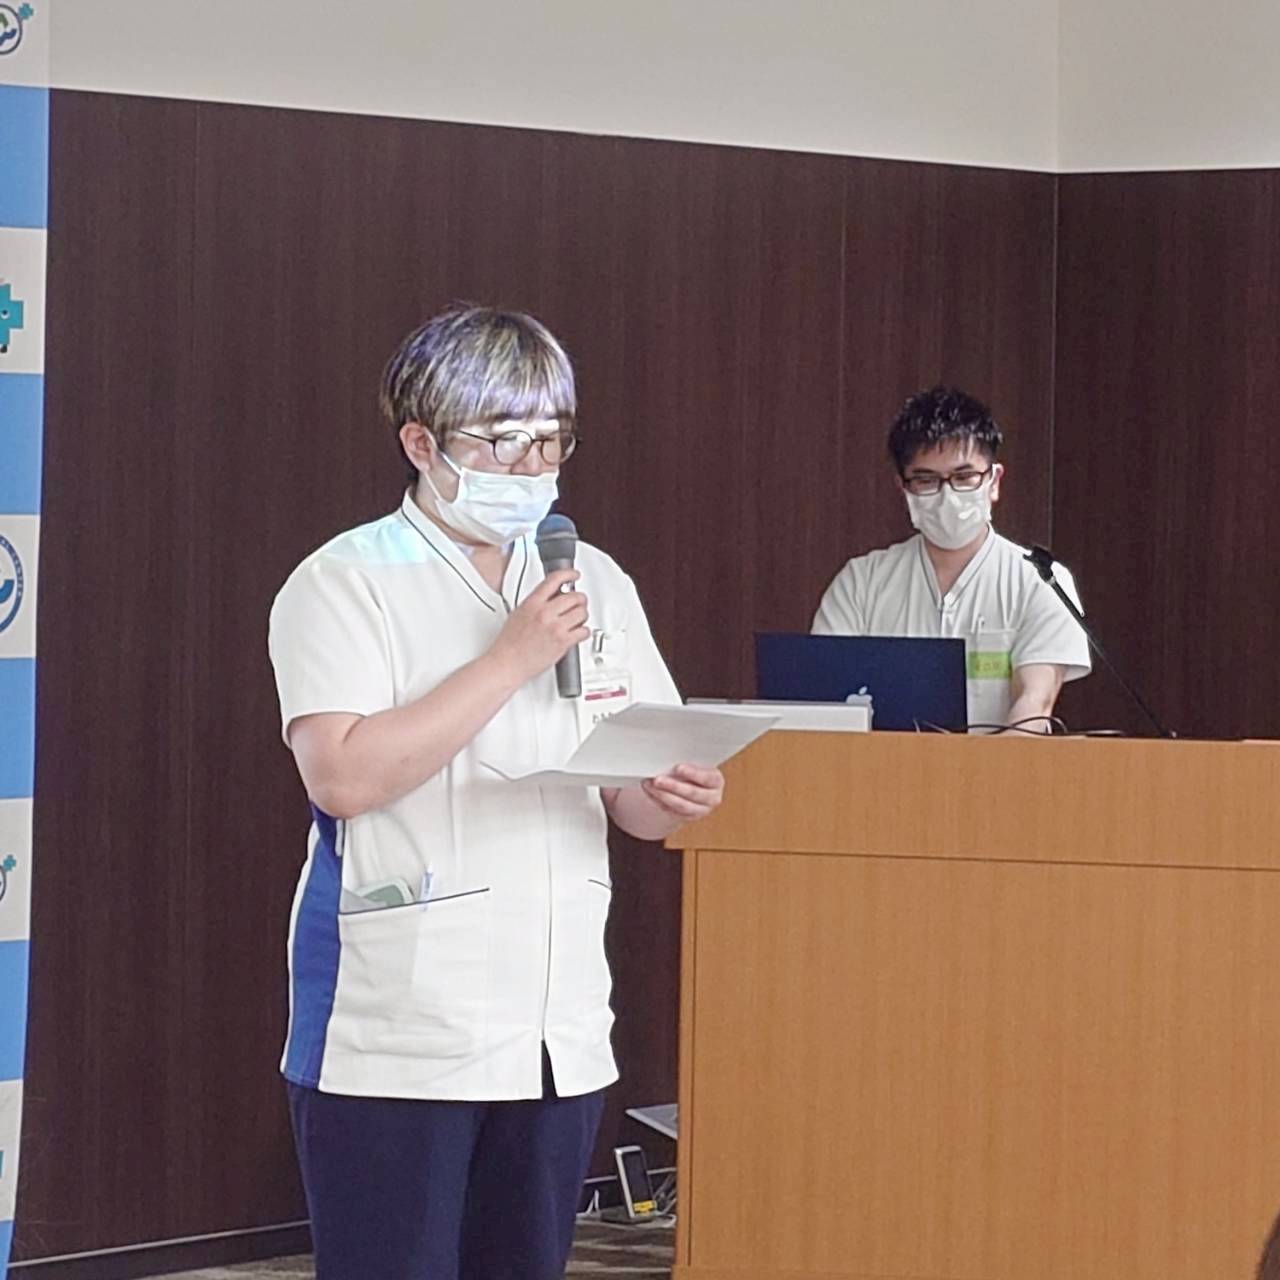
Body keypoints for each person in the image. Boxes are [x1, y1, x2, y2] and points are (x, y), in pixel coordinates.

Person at [267, 305, 725, 1280]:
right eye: (503, 441)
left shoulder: (592, 577)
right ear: (420, 443)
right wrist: (511, 658)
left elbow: (634, 802)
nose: (531, 467)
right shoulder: (344, 579)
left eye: (551, 442)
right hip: (397, 1027)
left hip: (555, 1027)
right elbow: (342, 777)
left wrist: (673, 789)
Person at [812, 386, 1091, 729]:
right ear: (903, 487)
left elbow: (1035, 704)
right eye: (926, 480)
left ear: (993, 481)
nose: (947, 495)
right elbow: (826, 701)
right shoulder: (860, 583)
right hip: (881, 763)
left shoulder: (1041, 582)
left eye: (964, 477)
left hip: (1000, 762)